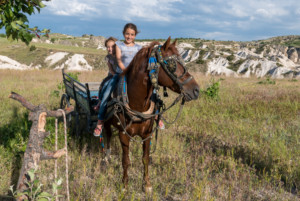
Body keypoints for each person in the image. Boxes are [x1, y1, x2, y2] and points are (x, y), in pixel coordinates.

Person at [93, 23, 142, 136]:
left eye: (132, 34)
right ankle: (100, 122)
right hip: (121, 74)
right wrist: (127, 72)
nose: (129, 37)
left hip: (135, 75)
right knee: (106, 94)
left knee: (151, 90)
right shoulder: (119, 45)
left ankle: (156, 116)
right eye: (127, 34)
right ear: (123, 33)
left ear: (135, 35)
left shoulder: (138, 47)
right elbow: (119, 61)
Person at [93, 37, 118, 112]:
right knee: (105, 85)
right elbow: (111, 69)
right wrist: (115, 75)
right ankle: (100, 102)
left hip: (121, 75)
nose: (110, 49)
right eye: (108, 47)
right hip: (112, 75)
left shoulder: (119, 55)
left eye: (112, 47)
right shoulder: (108, 57)